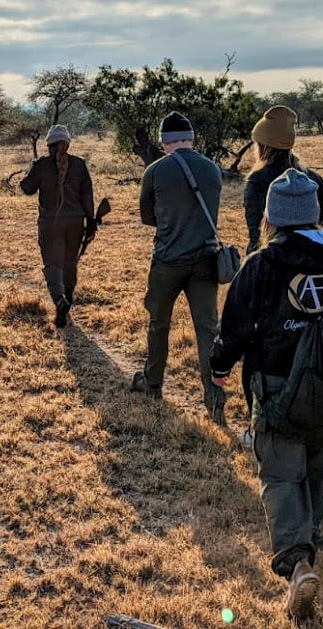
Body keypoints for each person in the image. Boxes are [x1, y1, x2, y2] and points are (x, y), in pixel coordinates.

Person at [210, 168, 323, 621]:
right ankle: (313, 533)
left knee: (279, 474)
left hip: (276, 388)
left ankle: (298, 562)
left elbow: (233, 330)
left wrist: (218, 366)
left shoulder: (261, 264)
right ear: (314, 213)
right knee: (317, 463)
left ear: (272, 215)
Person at [131, 111, 228, 424]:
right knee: (208, 330)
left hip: (168, 261)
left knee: (159, 322)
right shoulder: (212, 169)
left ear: (163, 141)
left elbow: (147, 218)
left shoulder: (156, 171)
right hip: (205, 261)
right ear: (192, 138)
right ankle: (214, 399)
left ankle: (153, 383)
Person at [19, 124, 97, 328]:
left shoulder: (41, 165)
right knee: (70, 263)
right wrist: (91, 222)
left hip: (49, 223)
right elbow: (87, 195)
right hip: (76, 223)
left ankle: (59, 300)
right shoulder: (79, 165)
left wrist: (31, 171)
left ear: (48, 145)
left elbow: (27, 189)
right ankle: (67, 302)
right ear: (68, 144)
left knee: (53, 264)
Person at [243, 105, 323, 254]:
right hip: (315, 263)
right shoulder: (313, 179)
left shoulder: (257, 181)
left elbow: (257, 237)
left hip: (274, 265)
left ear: (262, 146)